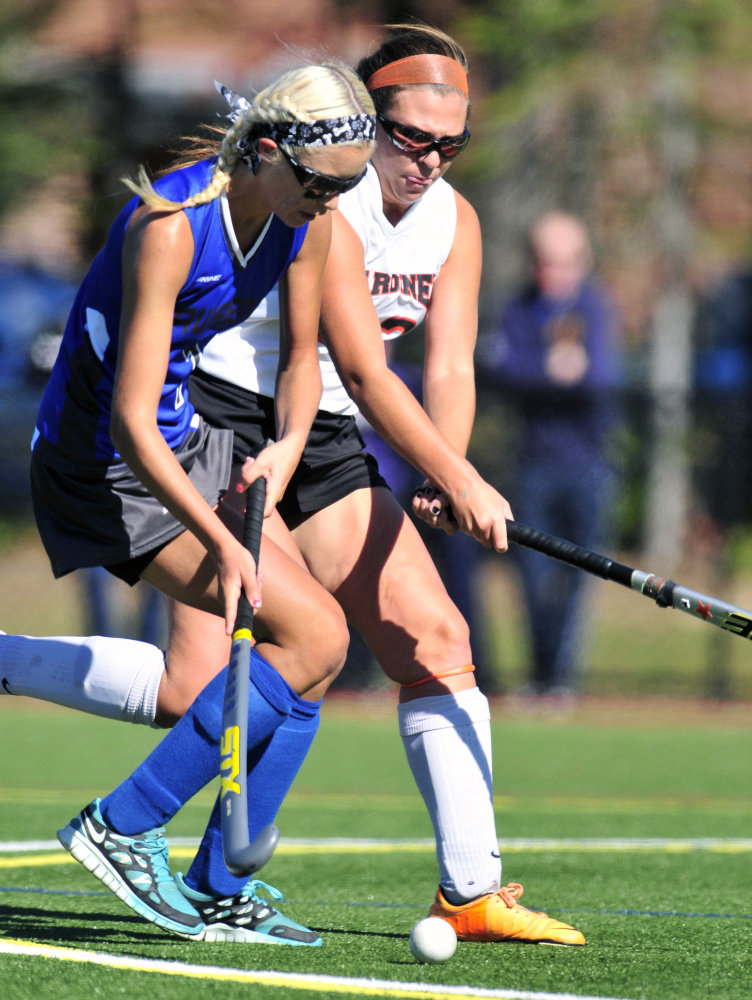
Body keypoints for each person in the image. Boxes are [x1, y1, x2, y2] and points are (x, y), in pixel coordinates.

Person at [169, 25, 583, 946]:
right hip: (229, 420)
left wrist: (446, 475)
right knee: (183, 691)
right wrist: (459, 475)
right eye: (412, 138)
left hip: (325, 440)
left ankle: (471, 892)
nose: (431, 162)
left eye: (452, 144)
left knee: (436, 636)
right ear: (366, 120)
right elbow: (363, 369)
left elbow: (449, 369)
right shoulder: (331, 199)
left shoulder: (456, 222)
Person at [4, 64, 376, 940]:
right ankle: (121, 824)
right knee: (314, 633)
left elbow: (297, 366)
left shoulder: (303, 224)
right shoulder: (170, 227)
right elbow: (130, 419)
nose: (332, 203)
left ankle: (218, 883)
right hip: (102, 464)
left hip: (187, 442)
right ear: (270, 151)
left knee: (314, 647)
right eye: (323, 183)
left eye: (348, 187)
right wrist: (224, 539)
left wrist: (284, 449)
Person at [479, 211, 622, 697]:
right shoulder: (518, 309)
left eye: (564, 262)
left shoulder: (595, 309)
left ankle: (560, 681)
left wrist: (556, 377)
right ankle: (539, 676)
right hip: (532, 465)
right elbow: (500, 371)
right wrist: (552, 370)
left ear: (582, 263)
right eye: (544, 261)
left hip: (589, 467)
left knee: (580, 582)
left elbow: (598, 378)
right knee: (531, 579)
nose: (553, 273)